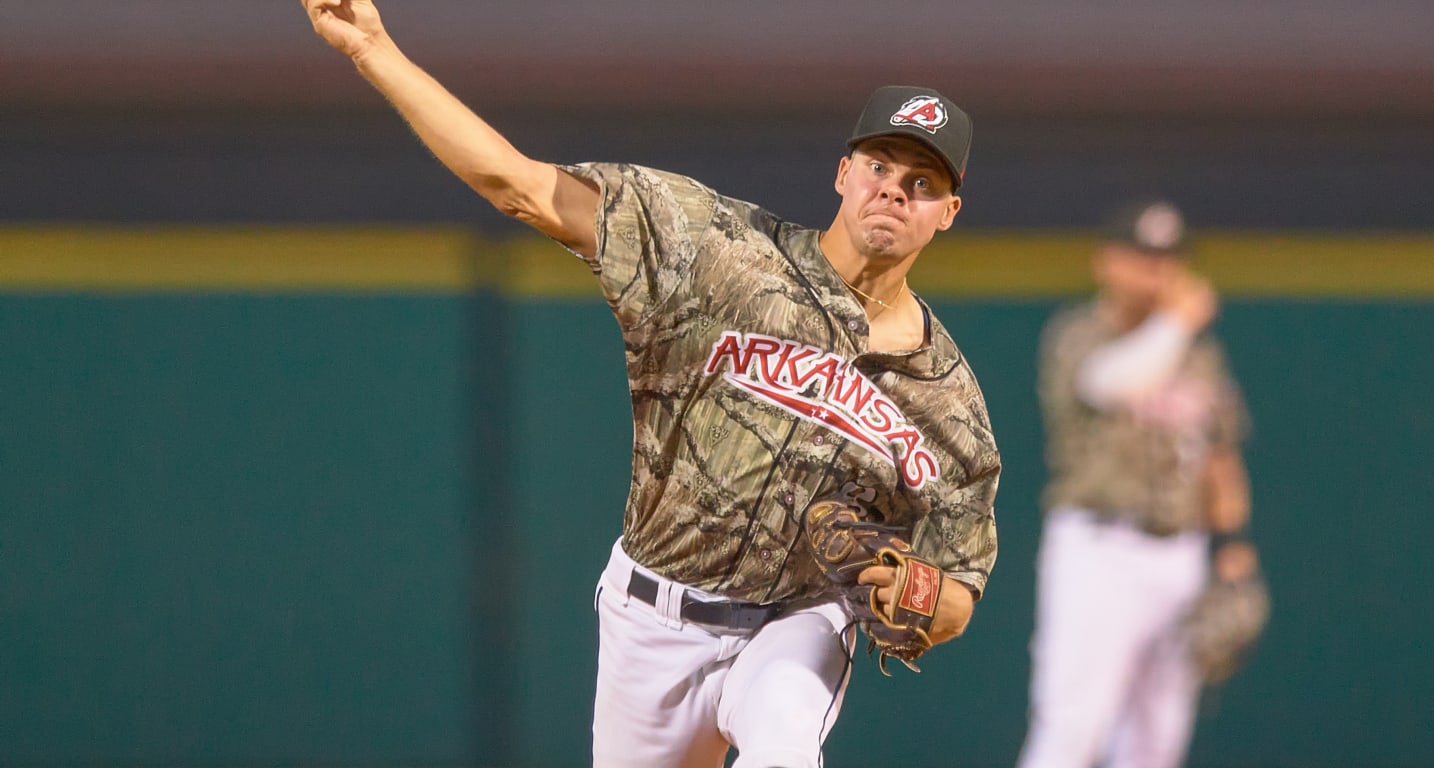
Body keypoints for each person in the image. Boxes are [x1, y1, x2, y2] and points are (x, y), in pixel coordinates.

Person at [301, 3, 1001, 767]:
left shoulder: (948, 400)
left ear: (949, 213)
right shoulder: (716, 251)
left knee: (784, 753)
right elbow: (519, 186)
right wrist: (373, 50)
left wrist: (926, 603)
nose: (894, 190)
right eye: (879, 165)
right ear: (842, 172)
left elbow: (959, 581)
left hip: (795, 622)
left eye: (922, 182)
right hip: (653, 618)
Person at [1016, 200, 1258, 768]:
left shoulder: (1198, 355)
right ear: (1108, 262)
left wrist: (1233, 549)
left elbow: (1220, 456)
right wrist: (1178, 321)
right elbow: (1113, 383)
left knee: (1158, 742)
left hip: (1181, 553)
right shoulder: (1078, 334)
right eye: (1142, 257)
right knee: (1072, 730)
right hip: (1099, 552)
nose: (1158, 272)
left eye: (1168, 260)